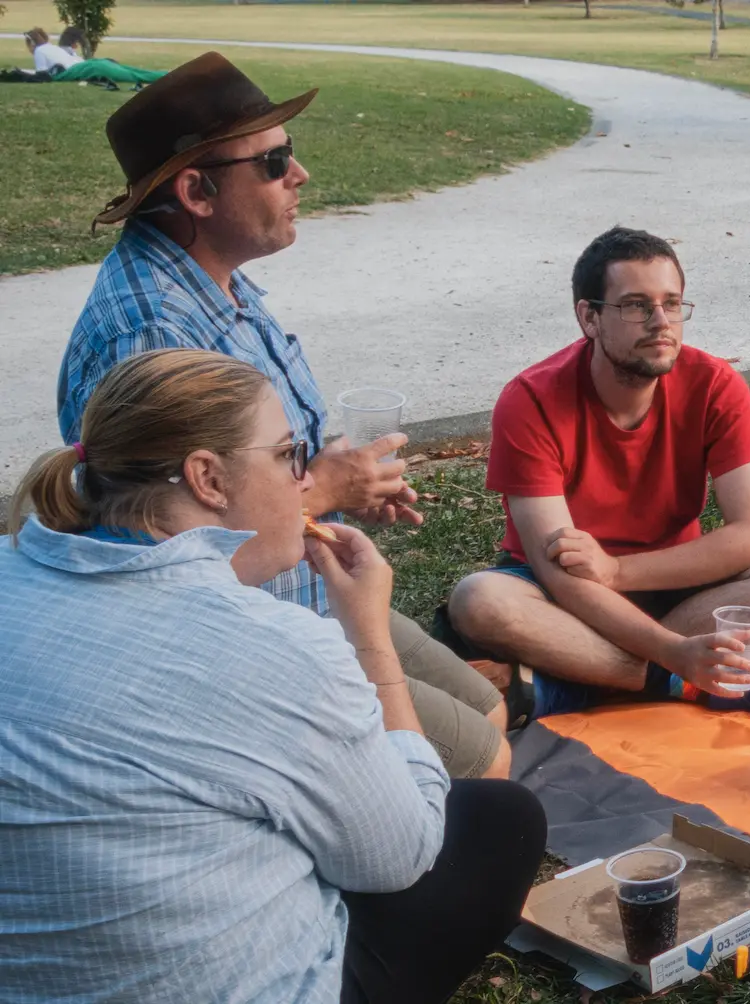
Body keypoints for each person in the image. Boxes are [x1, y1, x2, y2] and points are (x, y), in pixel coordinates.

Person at [0, 349, 546, 1004]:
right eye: (289, 456)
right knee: (499, 818)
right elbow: (401, 857)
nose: (302, 482)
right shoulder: (274, 646)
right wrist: (368, 637)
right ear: (208, 478)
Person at [56, 51, 510, 779]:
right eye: (274, 161)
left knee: (486, 710)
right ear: (197, 191)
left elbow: (250, 458)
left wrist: (341, 477)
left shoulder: (217, 284)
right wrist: (323, 490)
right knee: (487, 762)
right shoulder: (152, 335)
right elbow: (161, 551)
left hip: (307, 583)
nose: (300, 176)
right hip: (247, 638)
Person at [446, 227, 750, 719]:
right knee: (479, 600)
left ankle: (572, 684)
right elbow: (560, 577)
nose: (660, 322)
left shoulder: (716, 386)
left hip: (671, 578)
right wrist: (672, 654)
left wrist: (618, 570)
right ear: (589, 317)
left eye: (672, 303)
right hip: (562, 594)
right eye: (635, 305)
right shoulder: (531, 400)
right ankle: (671, 683)